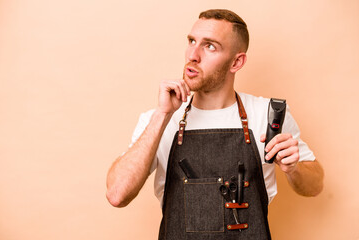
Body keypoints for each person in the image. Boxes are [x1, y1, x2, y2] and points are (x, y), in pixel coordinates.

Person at [106, 9, 324, 240]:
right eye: (192, 41)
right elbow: (117, 195)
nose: (193, 55)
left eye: (210, 46)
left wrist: (294, 169)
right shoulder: (160, 119)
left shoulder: (267, 115)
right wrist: (162, 115)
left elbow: (315, 186)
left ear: (236, 62)